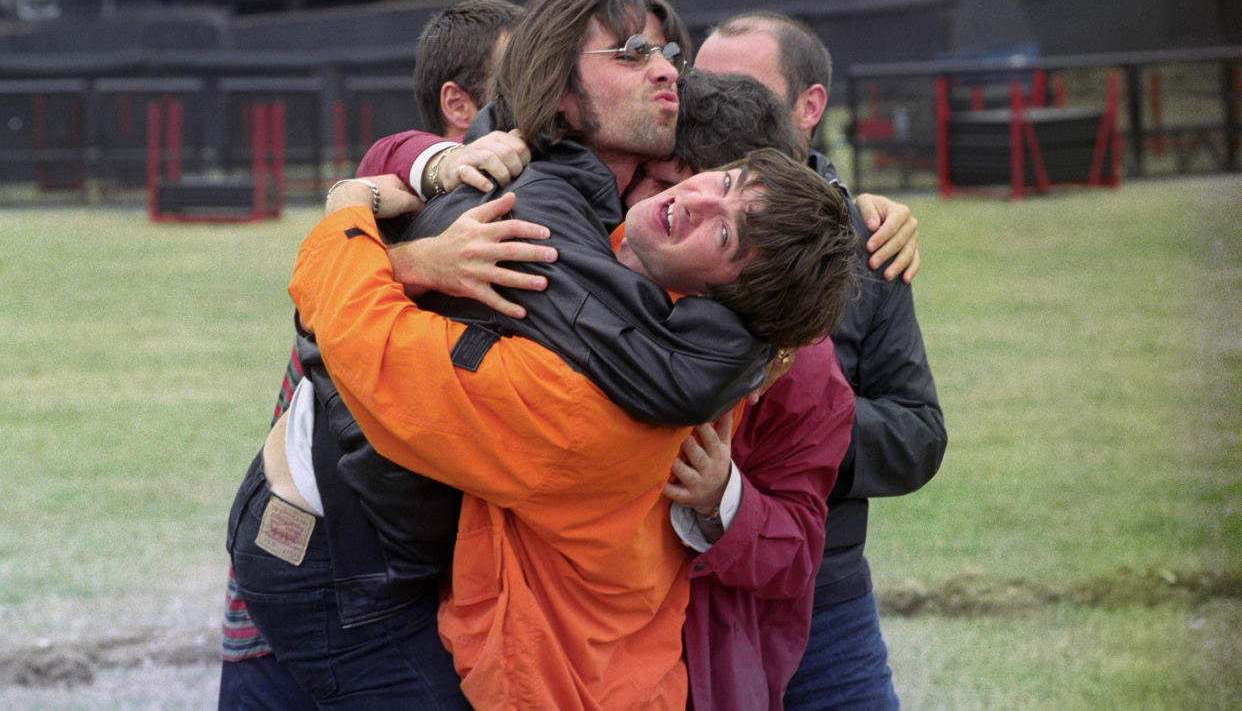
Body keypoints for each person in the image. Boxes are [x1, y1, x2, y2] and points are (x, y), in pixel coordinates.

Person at [225, 0, 817, 709]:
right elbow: (360, 320)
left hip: (404, 556)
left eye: (669, 55)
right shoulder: (521, 201)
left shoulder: (647, 270)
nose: (663, 71)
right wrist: (383, 224)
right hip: (337, 548)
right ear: (565, 90)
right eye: (631, 54)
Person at [239, 147, 856, 709]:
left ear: (730, 302)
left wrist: (349, 208)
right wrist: (437, 167)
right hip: (625, 674)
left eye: (723, 234)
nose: (690, 199)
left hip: (553, 686)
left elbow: (367, 343)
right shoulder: (698, 354)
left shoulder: (587, 404)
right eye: (723, 179)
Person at [218, 0, 529, 710]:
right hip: (313, 551)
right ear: (459, 104)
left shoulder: (513, 197)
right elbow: (389, 159)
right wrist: (443, 172)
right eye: (526, 75)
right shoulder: (404, 185)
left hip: (361, 555)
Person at [693, 11, 947, 710]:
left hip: (825, 603)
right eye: (701, 89)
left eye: (744, 89)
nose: (718, 108)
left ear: (810, 107)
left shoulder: (869, 242)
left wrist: (789, 425)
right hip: (680, 602)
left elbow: (918, 435)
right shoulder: (661, 214)